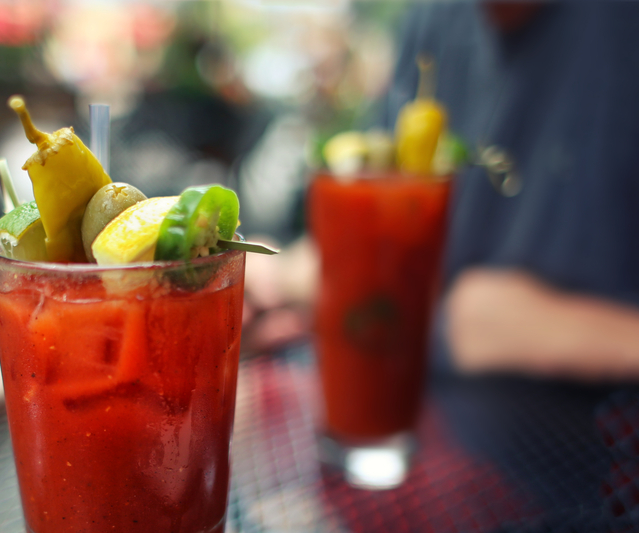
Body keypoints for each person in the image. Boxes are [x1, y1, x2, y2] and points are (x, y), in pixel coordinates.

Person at [246, 1, 639, 383]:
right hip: (427, 411)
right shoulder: (432, 25)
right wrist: (273, 277)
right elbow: (377, 229)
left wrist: (573, 332)